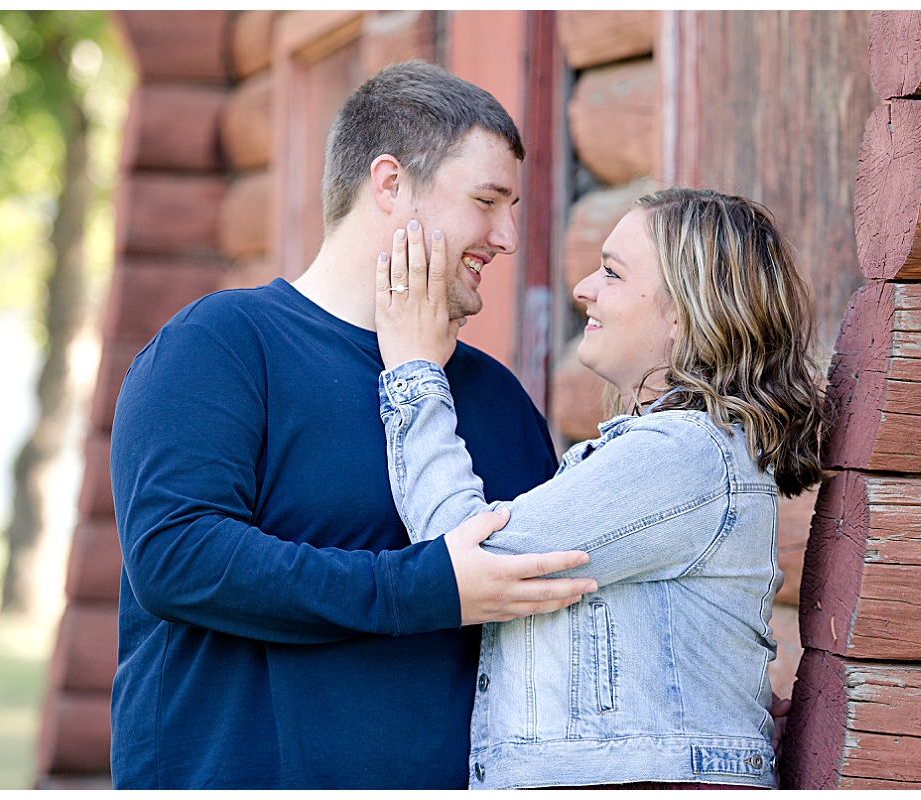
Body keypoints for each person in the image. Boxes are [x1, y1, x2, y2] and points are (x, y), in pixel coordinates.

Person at [108, 61, 599, 789]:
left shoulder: (498, 398)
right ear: (389, 183)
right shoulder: (223, 344)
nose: (505, 236)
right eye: (487, 200)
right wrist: (427, 586)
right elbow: (176, 558)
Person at [373, 187, 823, 788]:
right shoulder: (677, 452)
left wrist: (412, 370)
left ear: (683, 315)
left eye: (611, 272)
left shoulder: (682, 454)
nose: (583, 287)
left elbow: (462, 559)